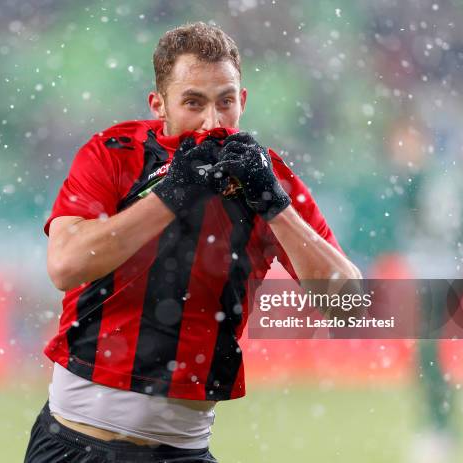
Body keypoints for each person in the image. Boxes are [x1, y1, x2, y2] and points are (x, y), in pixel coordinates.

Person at [24, 21, 361, 463]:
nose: (212, 122)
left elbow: (351, 307)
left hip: (184, 451)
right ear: (158, 104)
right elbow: (65, 265)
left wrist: (274, 205)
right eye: (193, 103)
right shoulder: (114, 151)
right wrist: (172, 194)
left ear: (242, 100)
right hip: (74, 444)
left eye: (225, 102)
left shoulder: (266, 176)